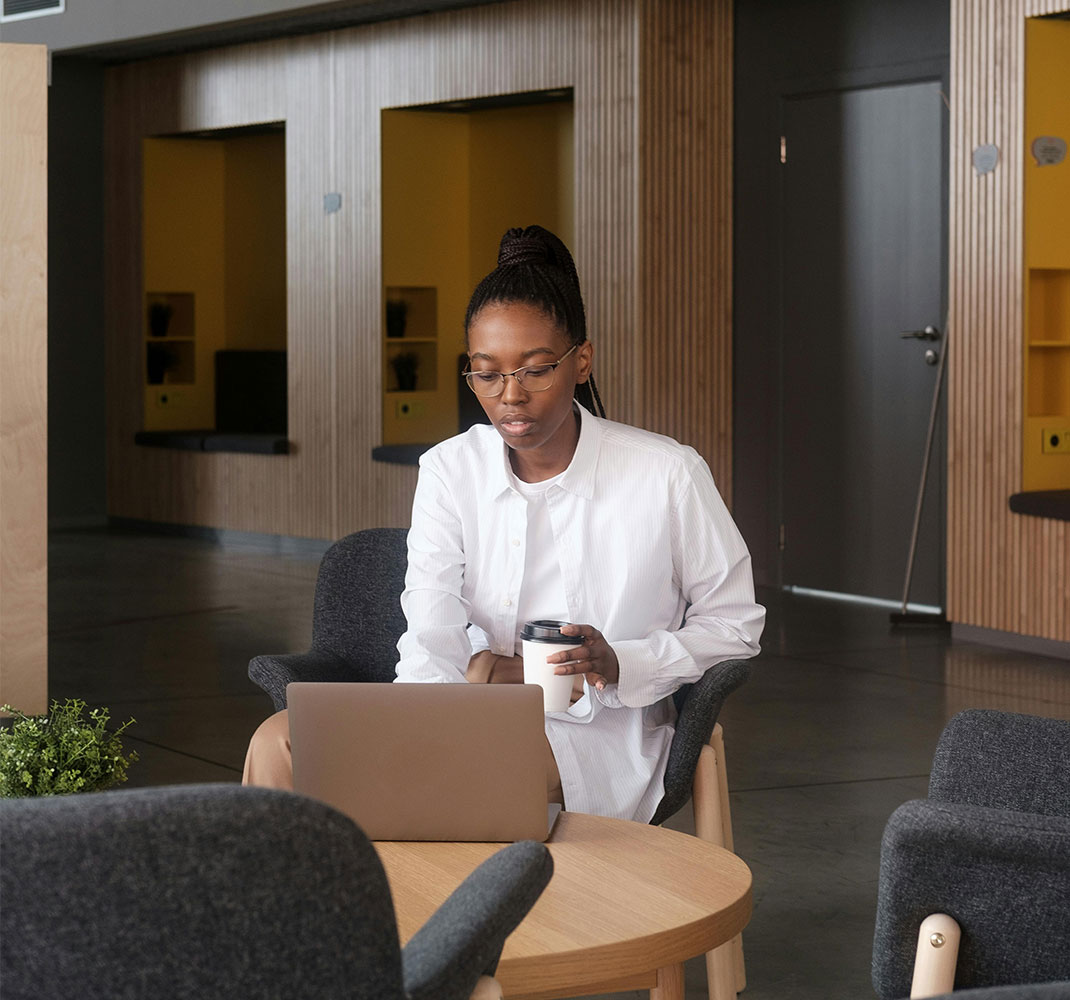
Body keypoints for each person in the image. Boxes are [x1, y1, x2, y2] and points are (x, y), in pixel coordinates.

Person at [243, 225, 764, 822]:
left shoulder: (666, 473)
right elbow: (431, 626)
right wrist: (419, 723)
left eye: (536, 370)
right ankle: (309, 913)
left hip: (599, 732)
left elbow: (734, 624)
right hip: (462, 709)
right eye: (487, 373)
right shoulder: (449, 469)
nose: (509, 395)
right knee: (278, 743)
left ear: (582, 362)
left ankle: (435, 910)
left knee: (437, 777)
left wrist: (621, 661)